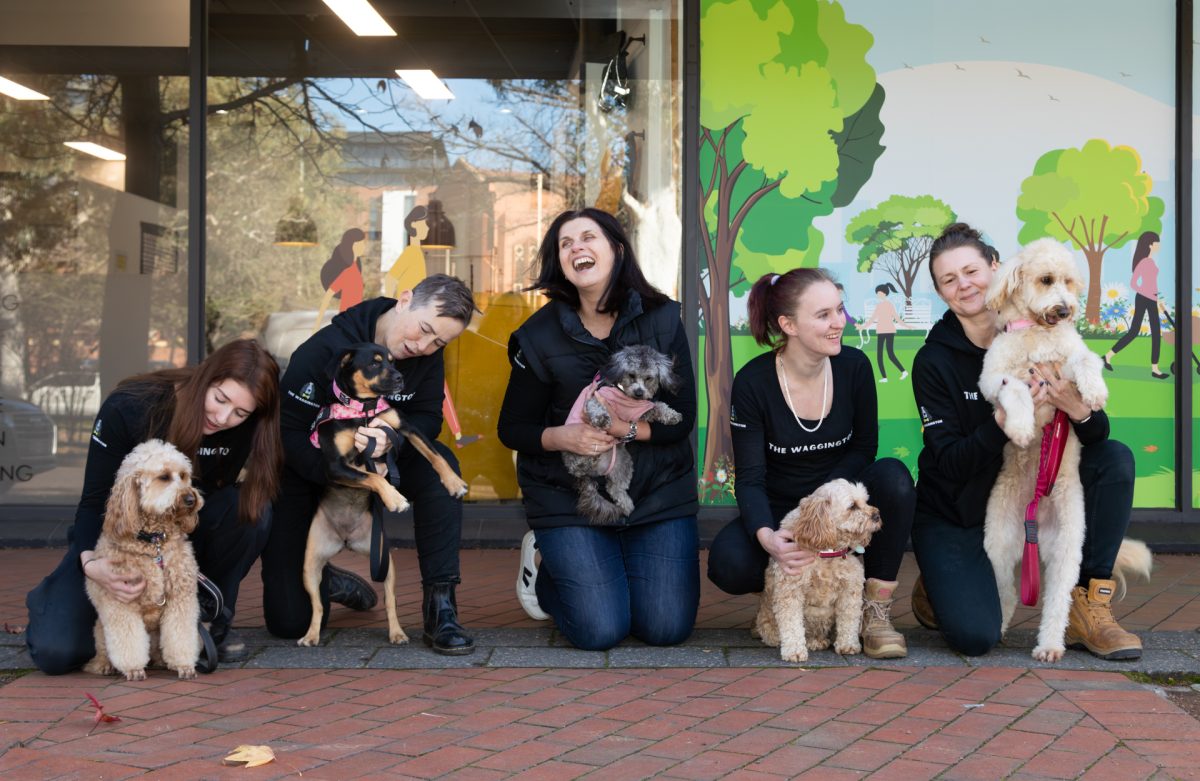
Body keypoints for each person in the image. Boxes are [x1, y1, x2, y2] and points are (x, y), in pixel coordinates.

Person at [910, 222, 1142, 659]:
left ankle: (1088, 600)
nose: (964, 285)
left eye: (971, 270)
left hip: (1047, 476)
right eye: (949, 279)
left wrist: (1077, 407)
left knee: (1114, 458)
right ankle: (941, 584)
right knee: (977, 637)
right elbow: (949, 461)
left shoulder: (1046, 331)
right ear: (940, 293)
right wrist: (1001, 420)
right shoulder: (934, 360)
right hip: (961, 506)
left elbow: (1095, 433)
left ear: (997, 269)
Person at [497, 207, 699, 652]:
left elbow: (682, 416)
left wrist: (625, 431)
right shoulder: (538, 335)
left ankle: (610, 562)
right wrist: (561, 436)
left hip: (656, 492)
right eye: (565, 244)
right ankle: (546, 558)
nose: (576, 248)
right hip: (569, 494)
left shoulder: (663, 318)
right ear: (559, 263)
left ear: (617, 250)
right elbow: (513, 428)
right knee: (599, 631)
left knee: (665, 628)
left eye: (589, 238)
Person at [25, 339, 282, 673]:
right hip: (115, 543)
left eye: (240, 413)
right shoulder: (132, 407)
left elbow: (217, 502)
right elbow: (92, 503)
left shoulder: (247, 427)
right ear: (205, 377)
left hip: (179, 540)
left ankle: (208, 618)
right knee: (57, 652)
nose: (222, 417)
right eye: (220, 399)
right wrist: (90, 563)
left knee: (251, 509)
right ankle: (50, 599)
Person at [262, 273, 479, 655]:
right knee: (288, 623)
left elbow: (428, 417)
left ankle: (441, 605)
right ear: (405, 298)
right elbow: (288, 434)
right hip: (312, 467)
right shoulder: (323, 350)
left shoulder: (426, 353)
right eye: (424, 329)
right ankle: (330, 578)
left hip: (382, 459)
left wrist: (389, 441)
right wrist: (342, 476)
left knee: (441, 465)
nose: (423, 345)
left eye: (438, 342)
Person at [706, 269, 916, 659]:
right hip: (782, 509)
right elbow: (750, 478)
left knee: (894, 478)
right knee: (728, 563)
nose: (839, 322)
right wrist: (771, 538)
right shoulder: (753, 382)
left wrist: (827, 503)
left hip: (838, 500)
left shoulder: (854, 367)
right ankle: (783, 598)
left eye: (840, 309)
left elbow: (865, 447)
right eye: (823, 315)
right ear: (788, 325)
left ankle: (876, 611)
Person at [1104, 231, 1168, 379]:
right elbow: (1134, 284)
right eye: (1157, 243)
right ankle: (1107, 356)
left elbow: (1152, 284)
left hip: (1152, 299)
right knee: (1134, 331)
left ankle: (1155, 368)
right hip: (1143, 298)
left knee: (1156, 333)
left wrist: (1158, 300)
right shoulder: (1144, 262)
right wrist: (1148, 294)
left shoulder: (1151, 262)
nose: (1159, 246)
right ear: (1150, 245)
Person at [314, 228, 367, 331]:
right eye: (362, 243)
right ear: (354, 245)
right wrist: (317, 325)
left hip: (355, 321)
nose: (364, 247)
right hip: (347, 322)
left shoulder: (356, 270)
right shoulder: (348, 272)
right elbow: (328, 295)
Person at [861, 282, 911, 383]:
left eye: (878, 293)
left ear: (884, 293)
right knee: (879, 355)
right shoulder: (879, 305)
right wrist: (863, 326)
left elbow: (897, 318)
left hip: (889, 331)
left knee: (890, 354)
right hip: (881, 331)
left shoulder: (889, 305)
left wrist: (907, 326)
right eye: (877, 293)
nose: (877, 295)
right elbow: (872, 319)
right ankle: (884, 377)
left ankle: (903, 371)